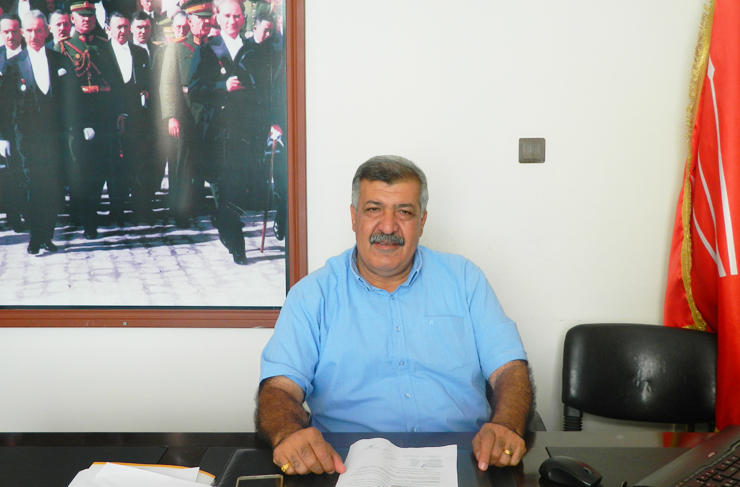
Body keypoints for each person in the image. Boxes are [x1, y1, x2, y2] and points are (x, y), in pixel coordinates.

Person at [257, 156, 533, 475]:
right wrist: (288, 434)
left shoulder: (465, 279)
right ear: (354, 217)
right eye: (374, 209)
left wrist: (506, 426)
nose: (388, 227)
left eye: (404, 212)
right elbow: (279, 389)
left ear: (422, 221)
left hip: (465, 459)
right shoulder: (311, 295)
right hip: (344, 465)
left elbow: (509, 369)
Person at [188, 0, 273, 265]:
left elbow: (265, 91)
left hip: (245, 132)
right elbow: (195, 89)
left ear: (243, 18)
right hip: (217, 132)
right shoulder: (207, 50)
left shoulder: (254, 50)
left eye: (237, 16)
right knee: (223, 188)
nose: (232, 21)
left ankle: (224, 221)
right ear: (218, 17)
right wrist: (222, 86)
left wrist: (270, 122)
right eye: (227, 16)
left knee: (239, 189)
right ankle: (236, 242)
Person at [5, 10, 79, 253]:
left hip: (56, 138)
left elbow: (73, 99)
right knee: (33, 187)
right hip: (27, 139)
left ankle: (46, 235)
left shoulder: (60, 61)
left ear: (47, 32)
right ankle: (35, 237)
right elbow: (6, 106)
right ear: (22, 33)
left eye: (39, 30)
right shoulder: (14, 65)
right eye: (29, 31)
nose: (34, 35)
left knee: (53, 188)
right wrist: (4, 138)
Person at [55, 0, 125, 239]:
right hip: (77, 116)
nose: (86, 20)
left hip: (103, 116)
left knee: (100, 169)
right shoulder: (63, 47)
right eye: (82, 16)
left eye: (90, 16)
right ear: (72, 19)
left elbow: (115, 81)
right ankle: (82, 217)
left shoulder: (104, 45)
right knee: (80, 169)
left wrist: (120, 112)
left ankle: (89, 218)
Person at [158, 0, 211, 228]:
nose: (205, 23)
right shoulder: (177, 48)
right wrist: (171, 116)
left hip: (206, 116)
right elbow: (167, 84)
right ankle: (179, 211)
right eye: (200, 19)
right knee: (181, 165)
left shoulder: (212, 47)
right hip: (184, 114)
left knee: (200, 163)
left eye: (208, 19)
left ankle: (197, 206)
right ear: (190, 21)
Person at [108, 11, 151, 224]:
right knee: (114, 166)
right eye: (119, 27)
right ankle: (116, 210)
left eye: (126, 26)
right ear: (109, 29)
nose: (123, 31)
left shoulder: (140, 53)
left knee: (137, 163)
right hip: (110, 117)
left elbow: (146, 82)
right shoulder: (102, 53)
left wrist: (145, 92)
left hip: (136, 117)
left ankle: (139, 210)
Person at [0, 13, 27, 232]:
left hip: (32, 127)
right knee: (10, 174)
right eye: (6, 32)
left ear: (22, 32)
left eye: (14, 31)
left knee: (31, 171)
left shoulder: (32, 55)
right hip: (6, 128)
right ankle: (14, 216)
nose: (11, 36)